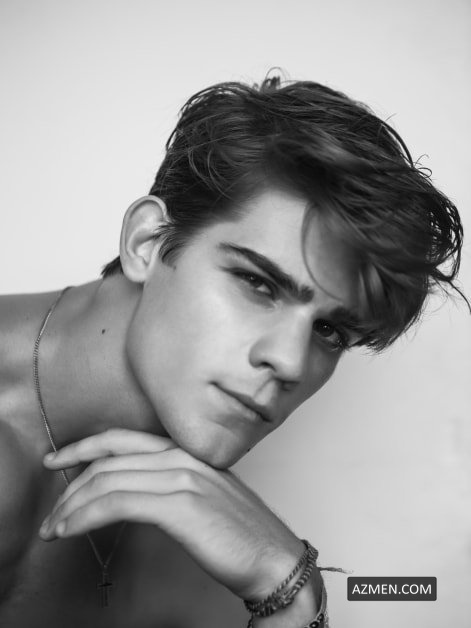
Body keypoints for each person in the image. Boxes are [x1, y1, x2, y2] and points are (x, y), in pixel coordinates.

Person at [0, 76, 465, 628]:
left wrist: (291, 592)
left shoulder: (212, 532)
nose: (290, 362)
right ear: (147, 243)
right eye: (258, 284)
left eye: (330, 332)